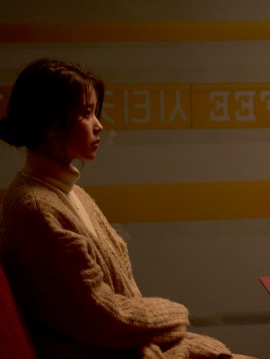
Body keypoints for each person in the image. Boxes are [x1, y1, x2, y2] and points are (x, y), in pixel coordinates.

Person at [0, 59, 253, 358]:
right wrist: (175, 314)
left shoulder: (71, 194)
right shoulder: (36, 209)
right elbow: (104, 319)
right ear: (51, 123)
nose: (99, 125)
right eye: (86, 113)